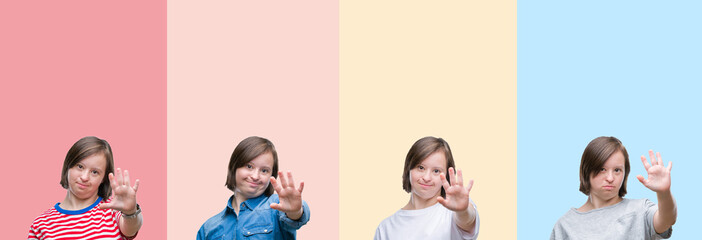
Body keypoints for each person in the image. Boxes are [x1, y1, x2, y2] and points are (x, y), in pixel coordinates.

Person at [550, 136, 677, 240]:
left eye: (617, 170)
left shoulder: (640, 210)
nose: (610, 178)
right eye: (602, 169)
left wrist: (664, 193)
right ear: (586, 171)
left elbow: (666, 219)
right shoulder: (565, 225)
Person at [28, 136, 143, 240]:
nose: (84, 177)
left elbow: (131, 229)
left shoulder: (113, 209)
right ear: (68, 165)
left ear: (103, 178)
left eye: (94, 172)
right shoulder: (41, 225)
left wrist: (130, 212)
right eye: (80, 166)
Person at [197, 136, 310, 240]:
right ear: (234, 167)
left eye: (264, 170)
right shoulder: (208, 228)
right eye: (249, 166)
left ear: (271, 176)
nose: (255, 176)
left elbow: (295, 217)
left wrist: (295, 211)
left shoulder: (276, 207)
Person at [375, 136, 480, 240]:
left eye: (436, 171)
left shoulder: (454, 210)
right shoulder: (385, 228)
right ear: (408, 169)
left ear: (446, 175)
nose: (426, 178)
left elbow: (467, 220)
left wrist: (462, 211)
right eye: (421, 168)